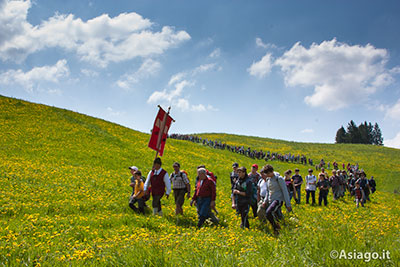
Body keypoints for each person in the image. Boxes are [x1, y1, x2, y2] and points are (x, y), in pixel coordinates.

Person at [261, 165, 292, 235]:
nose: (267, 175)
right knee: (277, 216)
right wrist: (265, 201)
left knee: (268, 213)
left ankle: (275, 228)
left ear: (272, 171)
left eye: (268, 173)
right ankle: (281, 228)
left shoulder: (279, 178)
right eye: (266, 174)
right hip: (270, 200)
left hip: (278, 200)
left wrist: (288, 204)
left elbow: (285, 191)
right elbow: (268, 191)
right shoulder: (268, 179)